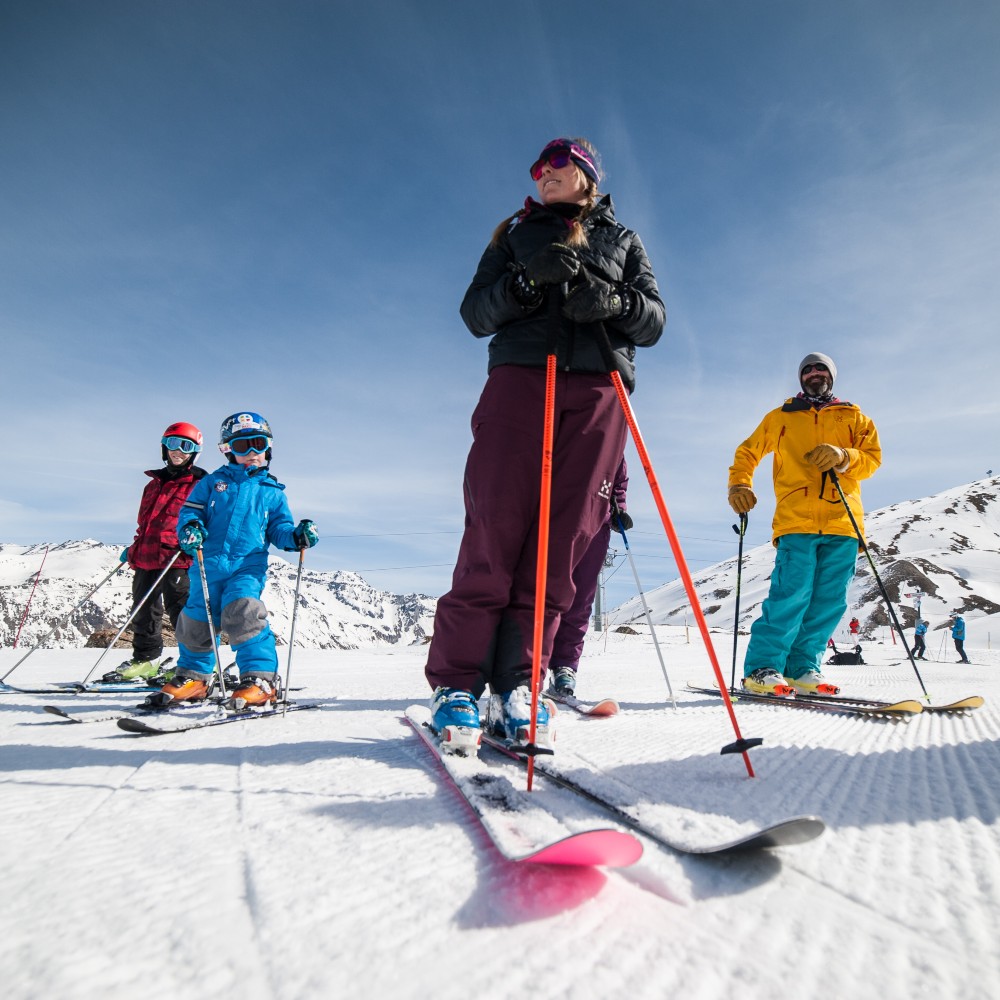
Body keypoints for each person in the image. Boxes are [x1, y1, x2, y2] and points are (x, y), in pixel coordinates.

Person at [426, 136, 665, 751]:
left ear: (586, 173)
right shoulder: (512, 234)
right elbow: (475, 313)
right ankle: (456, 685)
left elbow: (654, 320)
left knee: (564, 540)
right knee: (495, 525)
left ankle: (521, 684)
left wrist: (610, 301)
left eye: (558, 165)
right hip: (523, 379)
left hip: (599, 389)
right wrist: (526, 287)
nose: (544, 175)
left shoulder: (623, 239)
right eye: (538, 168)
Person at [727, 352, 881, 696]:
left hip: (843, 521)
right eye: (807, 369)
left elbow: (872, 460)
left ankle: (802, 668)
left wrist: (843, 457)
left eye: (821, 368)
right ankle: (762, 669)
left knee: (829, 601)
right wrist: (740, 483)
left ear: (831, 375)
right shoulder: (781, 417)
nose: (814, 372)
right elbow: (748, 452)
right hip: (796, 520)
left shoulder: (855, 417)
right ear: (801, 378)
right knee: (790, 594)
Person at [157, 412, 319, 708]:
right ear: (228, 449)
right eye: (243, 446)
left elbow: (279, 529)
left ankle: (259, 679)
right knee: (196, 619)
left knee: (243, 612)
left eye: (258, 444)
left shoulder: (272, 493)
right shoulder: (212, 483)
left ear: (268, 448)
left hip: (247, 565)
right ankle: (194, 677)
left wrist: (295, 537)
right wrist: (191, 528)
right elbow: (190, 513)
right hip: (207, 563)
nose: (252, 452)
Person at [108, 422, 207, 681]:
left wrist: (197, 538)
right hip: (147, 556)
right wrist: (135, 547)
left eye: (186, 446)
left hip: (179, 556)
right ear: (164, 447)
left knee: (183, 611)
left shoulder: (201, 484)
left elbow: (209, 521)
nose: (178, 451)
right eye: (172, 444)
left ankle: (196, 663)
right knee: (143, 609)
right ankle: (145, 660)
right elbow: (146, 523)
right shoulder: (153, 484)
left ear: (194, 451)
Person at [548, 458, 629, 698]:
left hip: (596, 523)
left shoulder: (614, 433)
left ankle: (565, 666)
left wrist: (619, 508)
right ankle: (527, 668)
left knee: (581, 597)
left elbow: (619, 478)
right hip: (554, 516)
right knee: (544, 594)